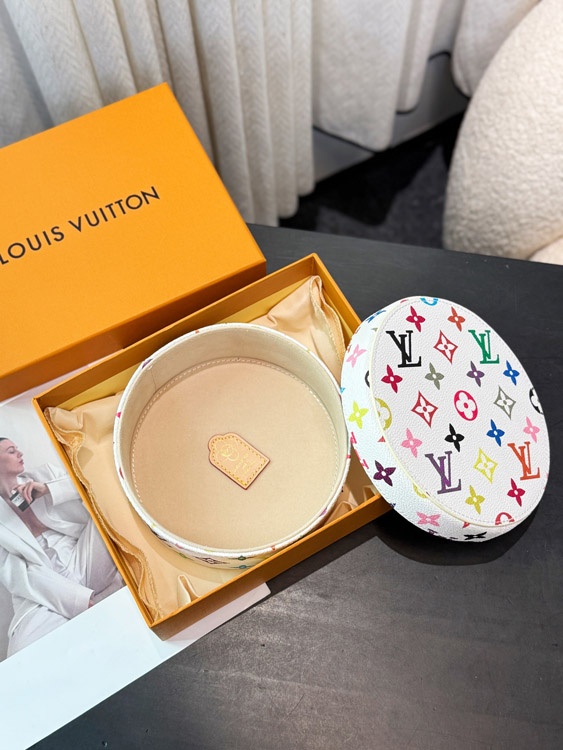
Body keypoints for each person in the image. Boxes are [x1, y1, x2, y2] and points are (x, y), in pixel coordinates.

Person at [0, 437, 122, 656]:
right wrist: (76, 600)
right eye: (11, 451)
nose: (20, 453)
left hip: (81, 554)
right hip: (45, 581)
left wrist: (48, 489)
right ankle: (100, 600)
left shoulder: (44, 475)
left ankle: (99, 600)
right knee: (22, 649)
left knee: (112, 503)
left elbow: (95, 484)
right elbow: (18, 574)